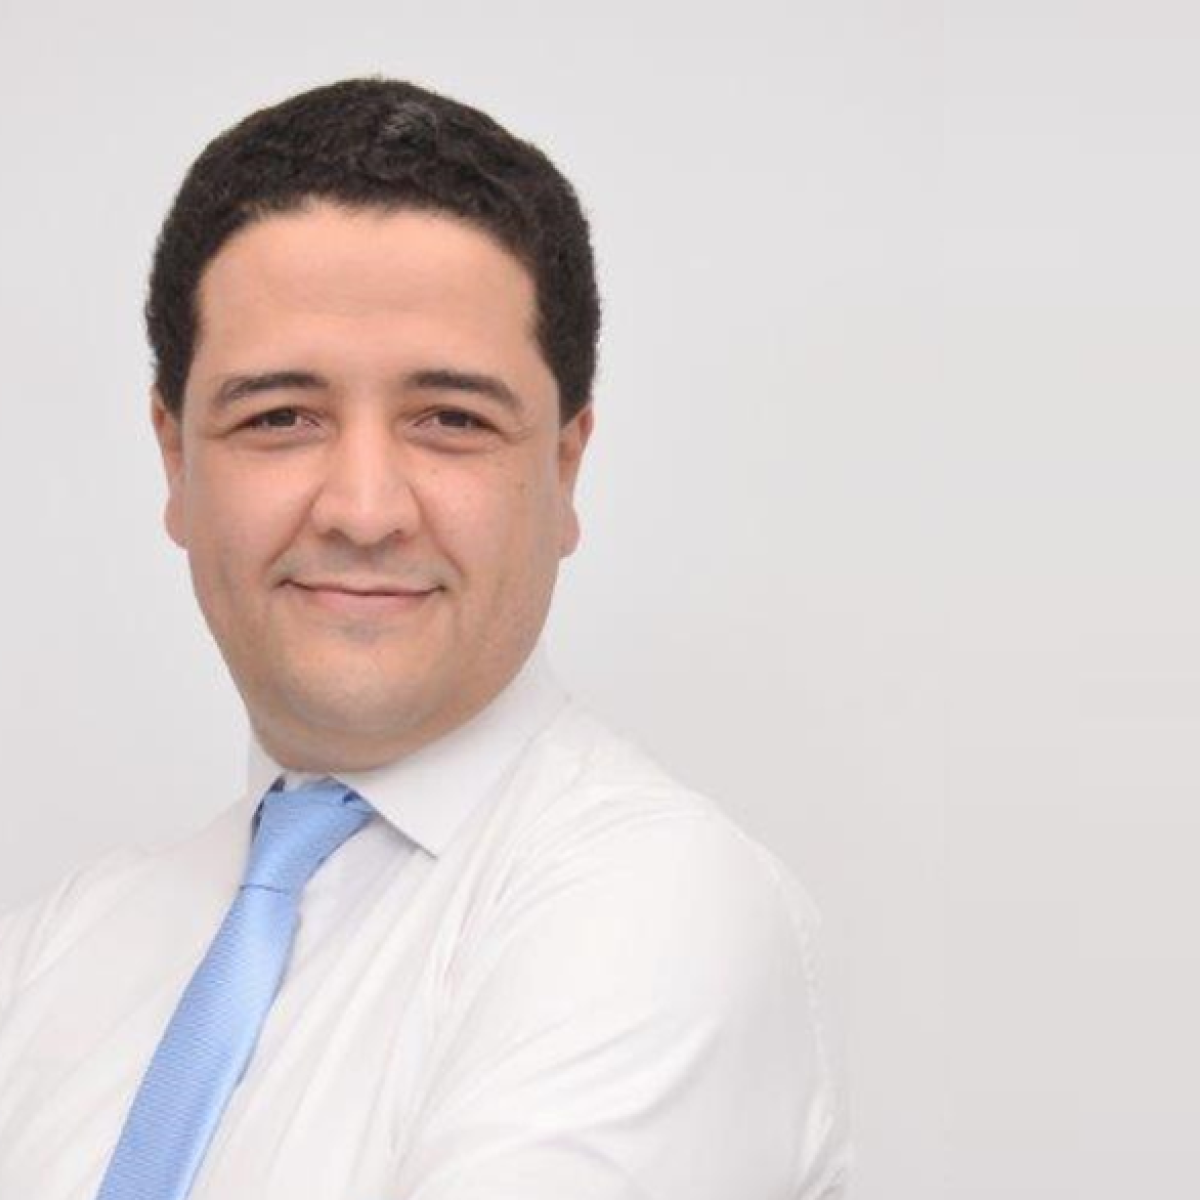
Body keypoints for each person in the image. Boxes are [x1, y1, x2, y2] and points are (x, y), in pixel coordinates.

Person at [0, 78, 851, 1199]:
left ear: (564, 468)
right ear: (176, 460)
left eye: (451, 420)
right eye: (279, 417)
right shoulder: (59, 955)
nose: (364, 510)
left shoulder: (662, 909)